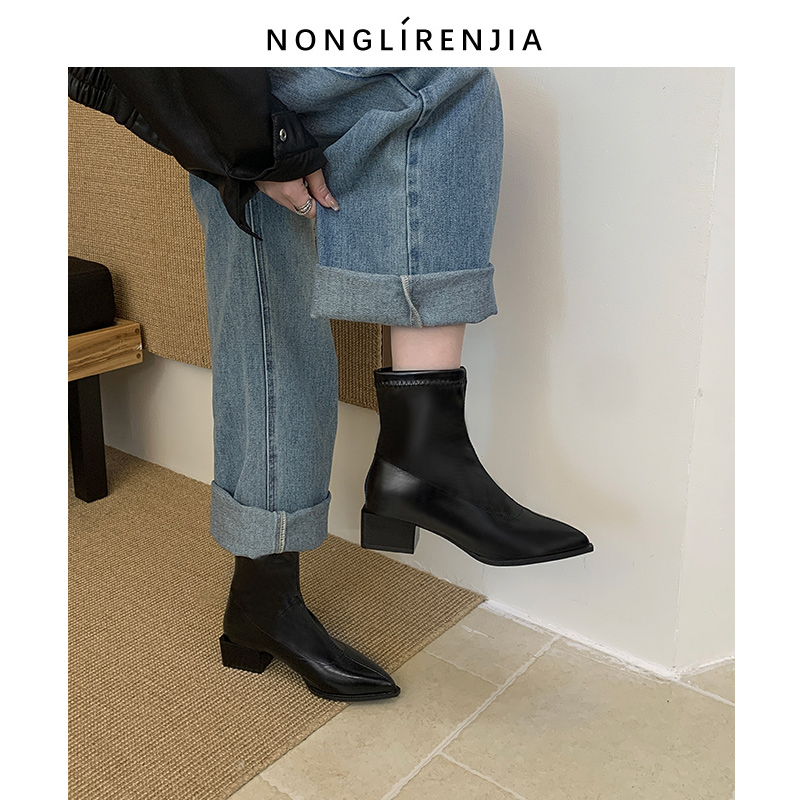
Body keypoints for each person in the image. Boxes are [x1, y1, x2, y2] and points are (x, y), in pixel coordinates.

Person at [69, 67, 593, 704]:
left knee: (265, 294)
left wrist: (246, 141)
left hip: (211, 68)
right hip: (177, 58)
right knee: (439, 78)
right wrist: (252, 142)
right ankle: (422, 458)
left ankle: (262, 600)